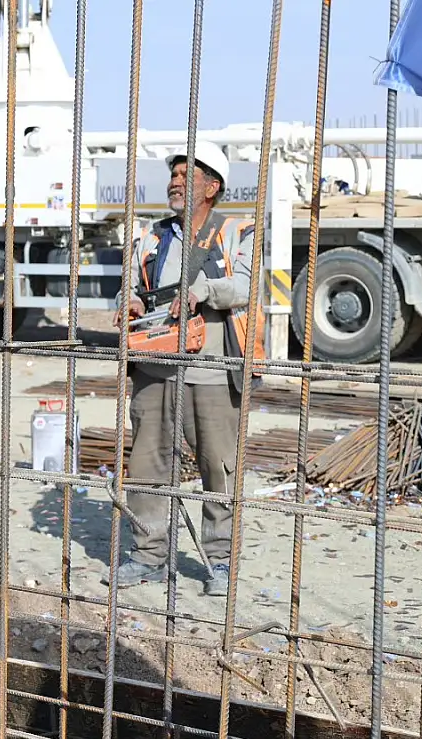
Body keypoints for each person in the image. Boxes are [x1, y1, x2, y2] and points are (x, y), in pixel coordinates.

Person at [112, 140, 261, 597]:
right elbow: (129, 286)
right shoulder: (153, 236)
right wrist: (130, 300)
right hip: (155, 366)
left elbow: (244, 284)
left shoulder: (238, 230)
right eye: (173, 176)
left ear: (212, 186)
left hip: (211, 367)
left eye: (185, 176)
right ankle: (149, 555)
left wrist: (202, 292)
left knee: (219, 467)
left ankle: (218, 562)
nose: (174, 183)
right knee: (147, 463)